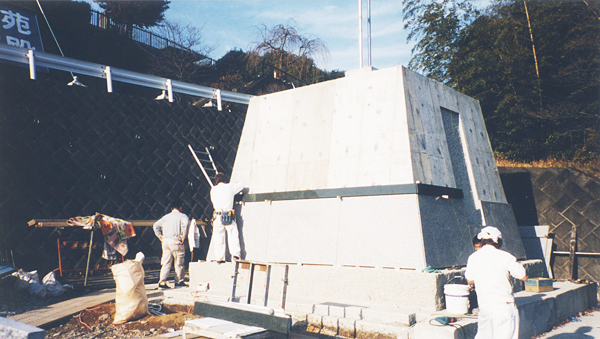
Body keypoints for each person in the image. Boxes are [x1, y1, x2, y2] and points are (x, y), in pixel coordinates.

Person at [465, 226, 528, 339]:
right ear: (498, 241)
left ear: (482, 240)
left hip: (485, 307)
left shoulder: (473, 258)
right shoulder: (506, 256)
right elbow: (523, 277)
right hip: (504, 306)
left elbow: (470, 280)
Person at [208, 172, 244, 263]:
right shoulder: (229, 187)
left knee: (219, 237)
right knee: (233, 234)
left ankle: (220, 258)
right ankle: (235, 255)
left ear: (216, 181)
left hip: (217, 215)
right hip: (227, 215)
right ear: (225, 180)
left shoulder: (213, 190)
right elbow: (241, 186)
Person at [153, 200, 189, 289]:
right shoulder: (182, 216)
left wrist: (160, 236)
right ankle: (179, 281)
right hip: (176, 241)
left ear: (171, 208)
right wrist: (183, 235)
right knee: (179, 262)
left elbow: (155, 225)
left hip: (165, 241)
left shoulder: (165, 217)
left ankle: (162, 282)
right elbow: (186, 223)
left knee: (166, 262)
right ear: (180, 207)